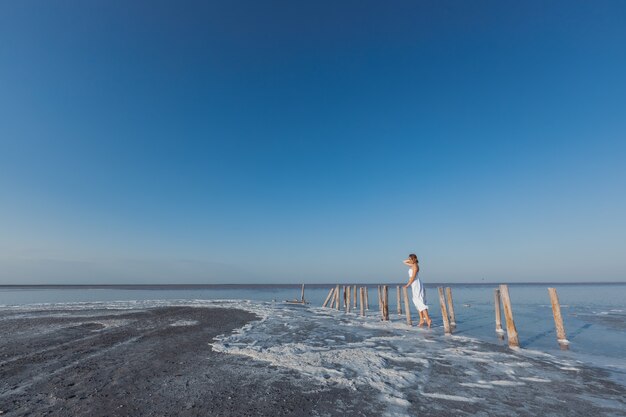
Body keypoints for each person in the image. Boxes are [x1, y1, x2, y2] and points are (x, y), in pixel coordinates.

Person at [403, 254, 432, 328]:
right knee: (416, 301)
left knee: (419, 301)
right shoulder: (412, 265)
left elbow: (412, 278)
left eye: (411, 259)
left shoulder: (415, 266)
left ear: (414, 259)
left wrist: (407, 285)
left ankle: (428, 319)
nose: (409, 260)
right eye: (409, 259)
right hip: (414, 284)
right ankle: (422, 319)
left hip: (416, 284)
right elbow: (404, 262)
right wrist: (410, 260)